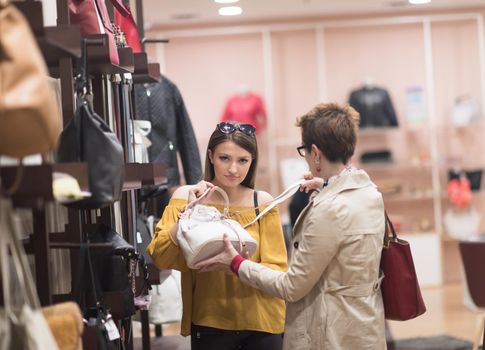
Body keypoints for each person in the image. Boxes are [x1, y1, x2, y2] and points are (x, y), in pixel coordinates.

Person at [197, 102, 387, 349]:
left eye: (305, 151)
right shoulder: (369, 193)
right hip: (366, 325)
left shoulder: (328, 210)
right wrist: (326, 185)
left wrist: (236, 264)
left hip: (331, 333)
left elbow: (292, 287)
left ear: (316, 153)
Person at [146, 121, 288, 350]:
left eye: (243, 160)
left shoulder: (262, 203)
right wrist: (187, 215)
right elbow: (160, 256)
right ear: (211, 156)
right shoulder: (187, 195)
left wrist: (236, 264)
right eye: (225, 158)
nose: (233, 169)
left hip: (263, 322)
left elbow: (277, 269)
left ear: (252, 162)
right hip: (210, 322)